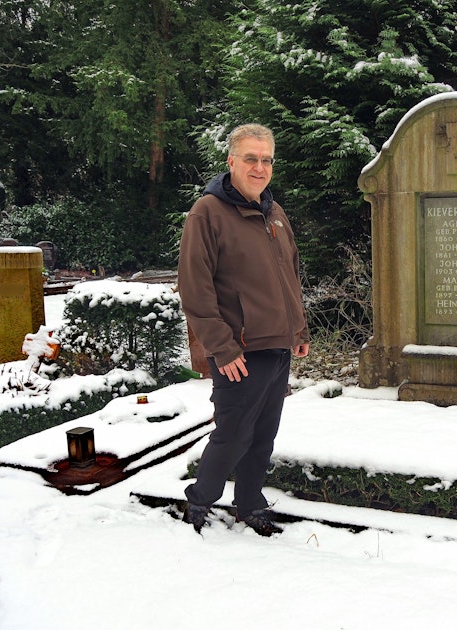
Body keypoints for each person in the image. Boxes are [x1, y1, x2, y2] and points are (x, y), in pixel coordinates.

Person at [177, 123, 309, 536]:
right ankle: (199, 501)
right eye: (250, 158)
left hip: (278, 346)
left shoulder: (275, 213)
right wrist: (222, 347)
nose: (259, 167)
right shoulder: (208, 213)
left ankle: (249, 502)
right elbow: (194, 287)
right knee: (233, 435)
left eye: (266, 159)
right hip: (240, 351)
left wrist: (299, 331)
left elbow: (290, 276)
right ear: (231, 161)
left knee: (263, 435)